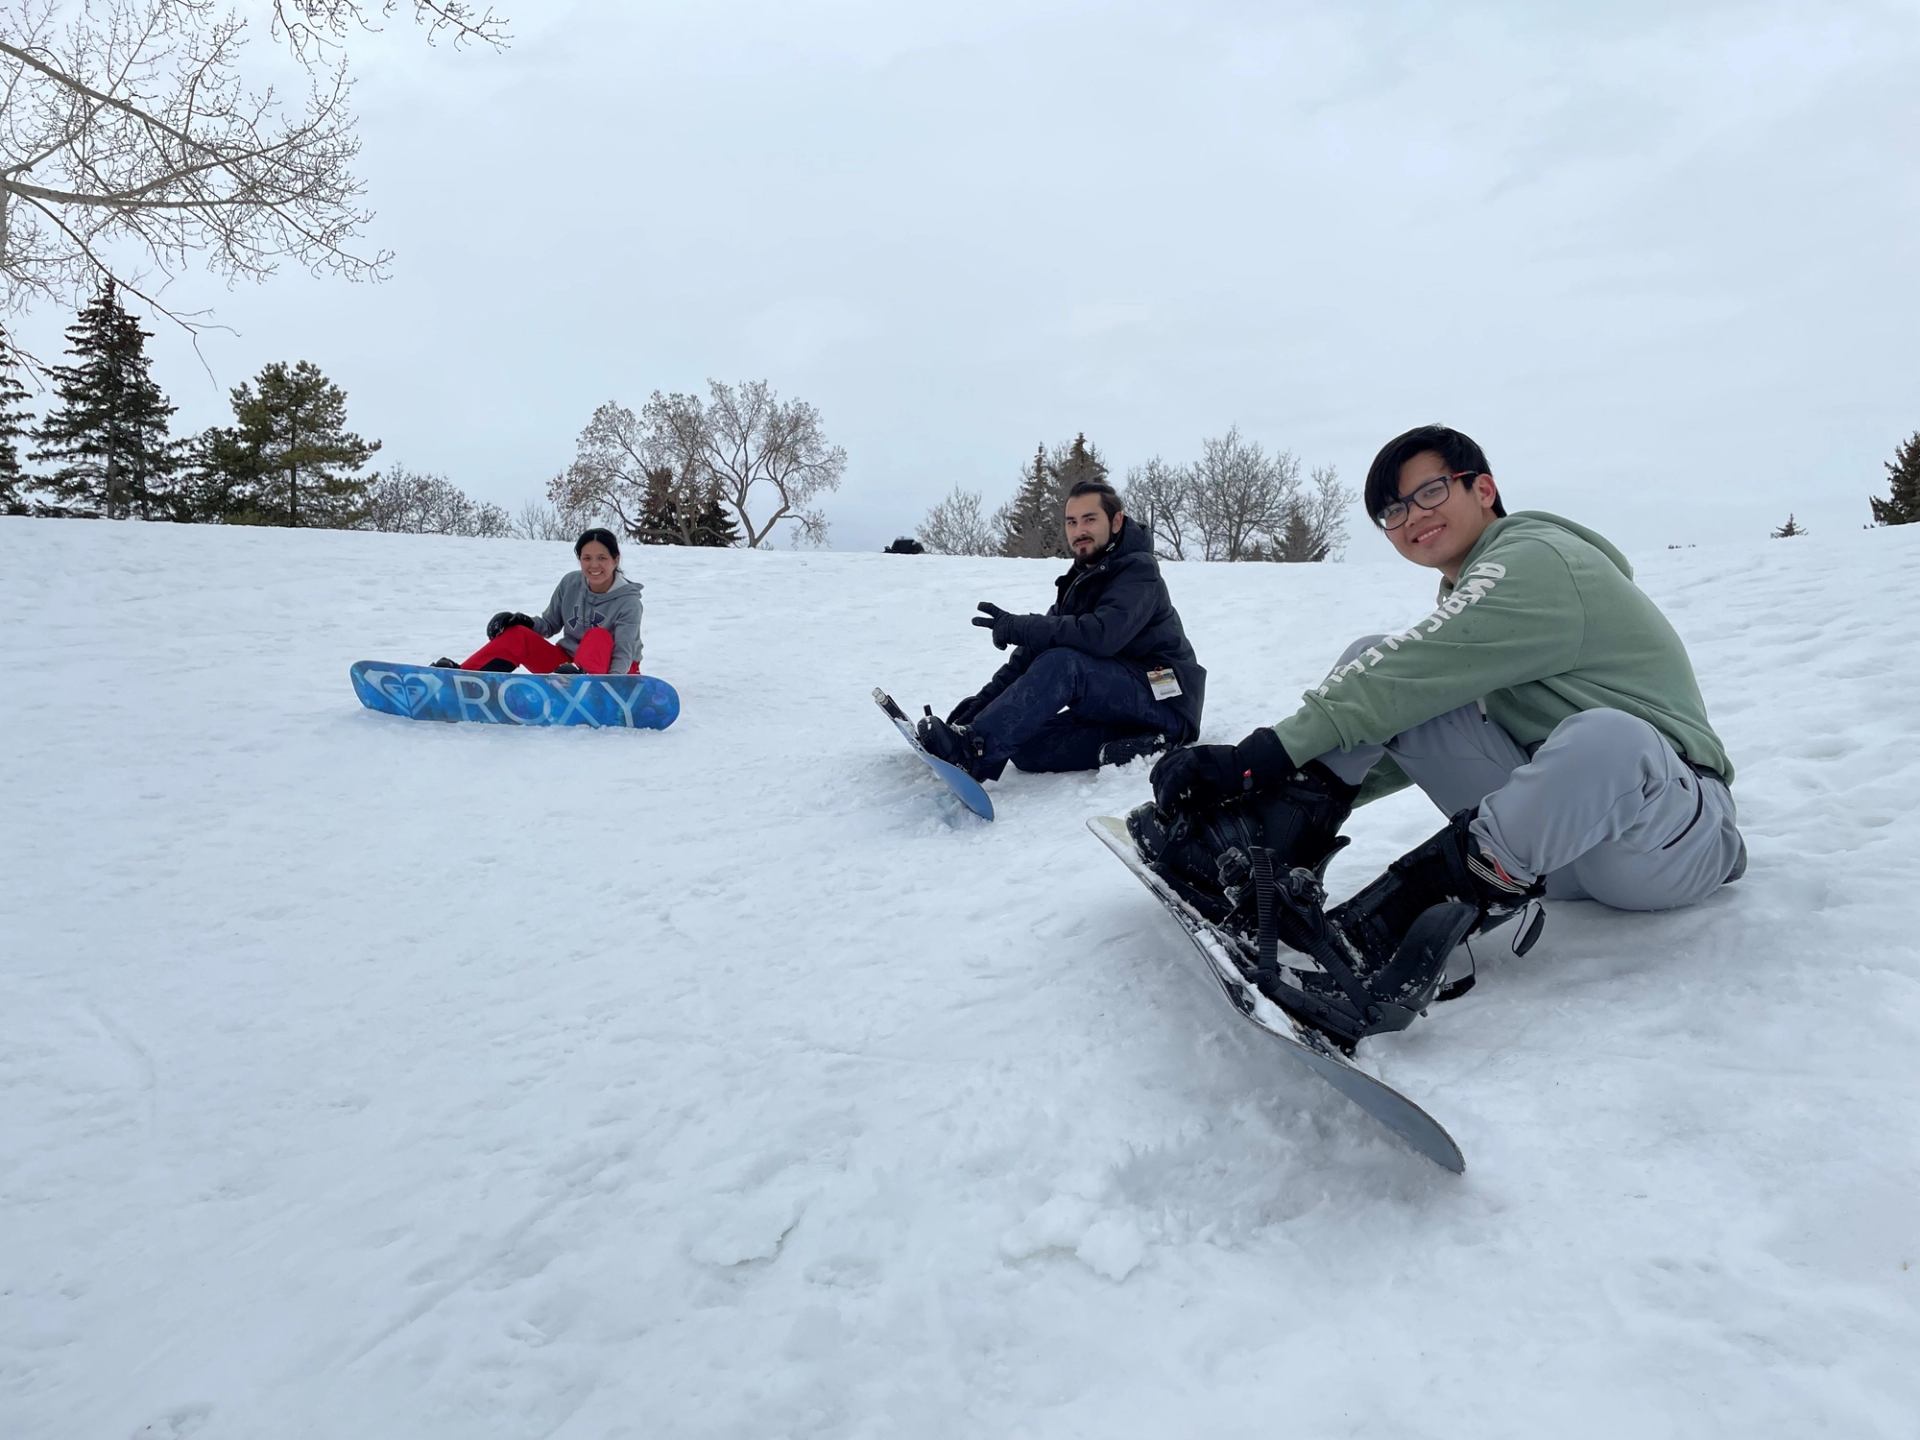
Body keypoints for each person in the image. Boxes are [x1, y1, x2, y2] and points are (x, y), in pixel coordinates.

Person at [1133, 424, 1745, 1046]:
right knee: (1371, 660)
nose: (1409, 518)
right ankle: (1259, 843)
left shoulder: (1544, 560)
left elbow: (1407, 674)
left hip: (1665, 842)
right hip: (1545, 847)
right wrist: (1277, 791)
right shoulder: (1469, 594)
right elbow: (1399, 722)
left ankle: (1374, 940)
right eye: (1392, 510)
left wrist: (1254, 757)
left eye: (1427, 493)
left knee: (1607, 737)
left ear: (1483, 488)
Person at [916, 479, 1207, 781]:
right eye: (1071, 522)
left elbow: (1100, 636)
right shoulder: (1084, 579)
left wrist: (1021, 626)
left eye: (1090, 519)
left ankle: (970, 755)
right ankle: (1140, 746)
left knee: (1065, 662)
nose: (1079, 530)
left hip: (1166, 696)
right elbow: (1029, 657)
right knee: (1025, 746)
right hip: (1125, 706)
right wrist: (974, 713)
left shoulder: (1138, 571)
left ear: (1116, 521)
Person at [434, 527, 643, 676]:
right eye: (587, 558)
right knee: (518, 635)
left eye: (602, 558)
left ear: (615, 560)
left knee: (598, 636)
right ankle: (464, 679)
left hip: (613, 673)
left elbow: (624, 651)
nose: (594, 565)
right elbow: (550, 624)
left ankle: (582, 685)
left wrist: (615, 686)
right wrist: (525, 623)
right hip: (566, 671)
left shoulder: (628, 601)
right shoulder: (571, 583)